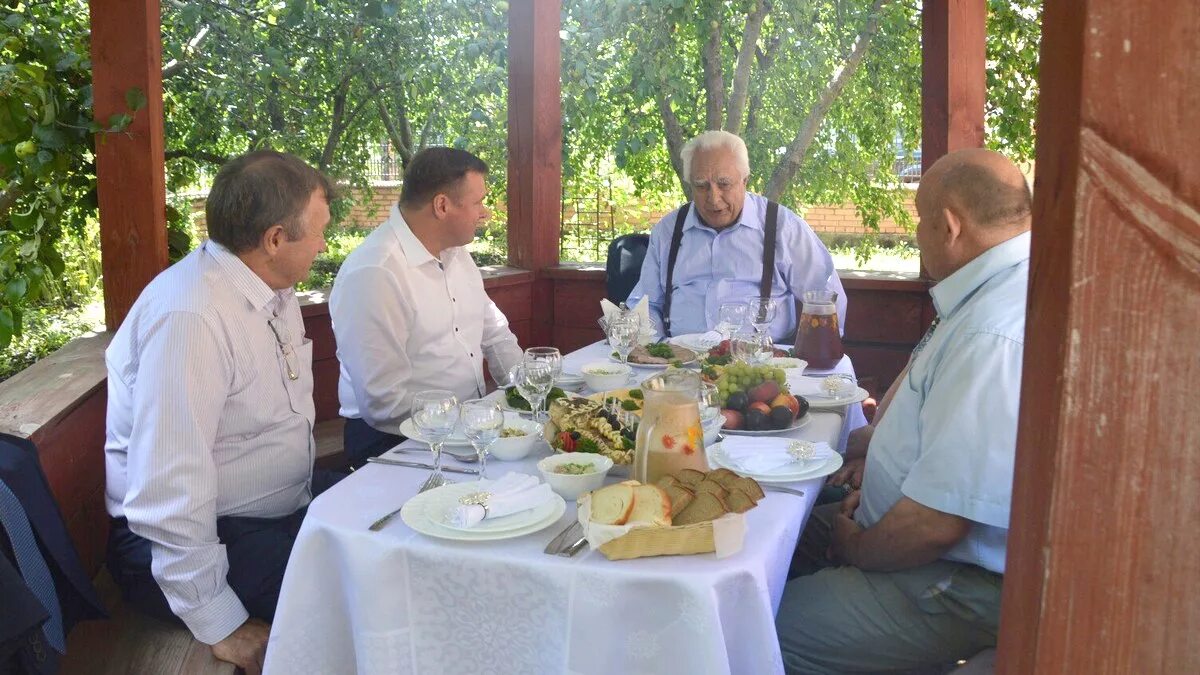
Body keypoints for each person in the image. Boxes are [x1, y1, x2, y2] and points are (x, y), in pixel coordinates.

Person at [775, 148, 1033, 673]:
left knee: (752, 632)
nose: (917, 234)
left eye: (919, 221)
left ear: (949, 226)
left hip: (956, 578)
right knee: (780, 530)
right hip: (907, 534)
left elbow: (939, 524)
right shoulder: (992, 290)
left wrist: (858, 549)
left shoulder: (993, 332)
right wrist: (874, 451)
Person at [104, 150, 342, 674]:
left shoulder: (268, 291)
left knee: (397, 534)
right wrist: (221, 622)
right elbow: (169, 490)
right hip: (194, 543)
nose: (325, 244)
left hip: (278, 511)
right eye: (320, 232)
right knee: (351, 605)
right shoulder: (191, 316)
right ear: (275, 239)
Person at [329, 147, 523, 468]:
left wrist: (526, 392)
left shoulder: (455, 252)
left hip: (464, 428)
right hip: (395, 442)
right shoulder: (376, 272)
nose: (485, 212)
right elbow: (384, 403)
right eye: (478, 202)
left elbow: (494, 332)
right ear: (442, 205)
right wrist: (470, 422)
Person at [626, 130, 845, 341]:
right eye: (701, 186)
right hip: (680, 366)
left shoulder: (782, 227)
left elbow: (826, 297)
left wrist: (813, 352)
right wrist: (653, 348)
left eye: (724, 184)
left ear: (745, 180)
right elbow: (645, 304)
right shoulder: (668, 231)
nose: (713, 198)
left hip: (762, 366)